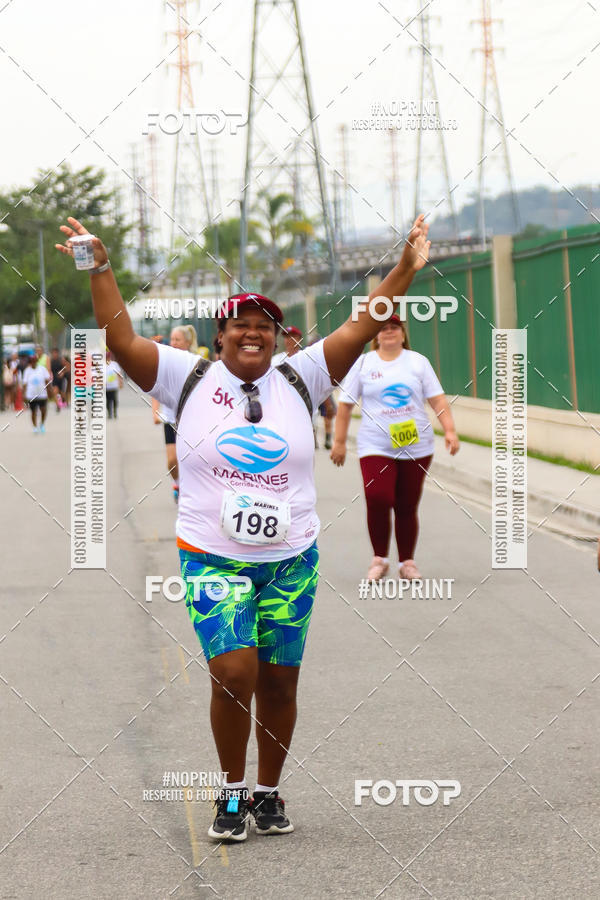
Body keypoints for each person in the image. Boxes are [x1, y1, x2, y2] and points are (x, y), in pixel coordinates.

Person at [56, 213, 431, 843]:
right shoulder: (188, 376)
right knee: (234, 672)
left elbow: (362, 321)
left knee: (281, 680)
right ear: (220, 335)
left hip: (292, 557)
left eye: (263, 327)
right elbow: (118, 341)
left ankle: (267, 792)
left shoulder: (301, 376)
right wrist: (100, 267)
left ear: (279, 337)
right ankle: (231, 792)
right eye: (239, 327)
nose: (251, 335)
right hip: (213, 555)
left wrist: (404, 270)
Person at [331, 315, 459, 580]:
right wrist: (340, 442)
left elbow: (437, 399)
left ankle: (407, 562)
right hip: (374, 444)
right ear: (375, 336)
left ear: (402, 333)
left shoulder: (417, 362)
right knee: (378, 497)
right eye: (383, 328)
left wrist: (449, 430)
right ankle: (379, 559)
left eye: (394, 327)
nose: (388, 332)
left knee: (406, 505)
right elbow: (345, 406)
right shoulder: (365, 363)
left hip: (416, 445)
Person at [151, 326, 197, 502]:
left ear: (187, 342)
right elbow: (155, 387)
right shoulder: (166, 362)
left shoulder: (196, 362)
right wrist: (155, 412)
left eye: (177, 339)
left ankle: (189, 490)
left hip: (191, 420)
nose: (174, 343)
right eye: (172, 339)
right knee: (172, 461)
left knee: (190, 460)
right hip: (170, 419)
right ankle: (177, 483)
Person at [22, 354, 52, 433]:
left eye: (34, 361)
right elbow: (24, 385)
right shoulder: (27, 371)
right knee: (33, 411)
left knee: (43, 410)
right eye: (31, 361)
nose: (33, 363)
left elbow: (47, 381)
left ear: (37, 361)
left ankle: (42, 424)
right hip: (31, 395)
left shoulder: (42, 369)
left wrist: (50, 391)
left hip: (42, 394)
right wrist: (24, 396)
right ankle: (35, 427)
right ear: (29, 362)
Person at [105, 350, 124, 419]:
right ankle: (109, 413)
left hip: (114, 385)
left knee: (114, 399)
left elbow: (119, 374)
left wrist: (120, 382)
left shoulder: (114, 364)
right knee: (108, 400)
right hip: (106, 386)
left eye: (108, 357)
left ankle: (115, 412)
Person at [49, 347, 67, 412]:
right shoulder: (51, 361)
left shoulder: (61, 360)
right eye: (53, 353)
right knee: (55, 392)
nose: (54, 354)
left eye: (55, 353)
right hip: (55, 379)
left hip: (61, 379)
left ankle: (64, 401)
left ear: (58, 353)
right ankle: (58, 405)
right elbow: (49, 369)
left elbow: (66, 368)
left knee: (62, 393)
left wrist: (63, 373)